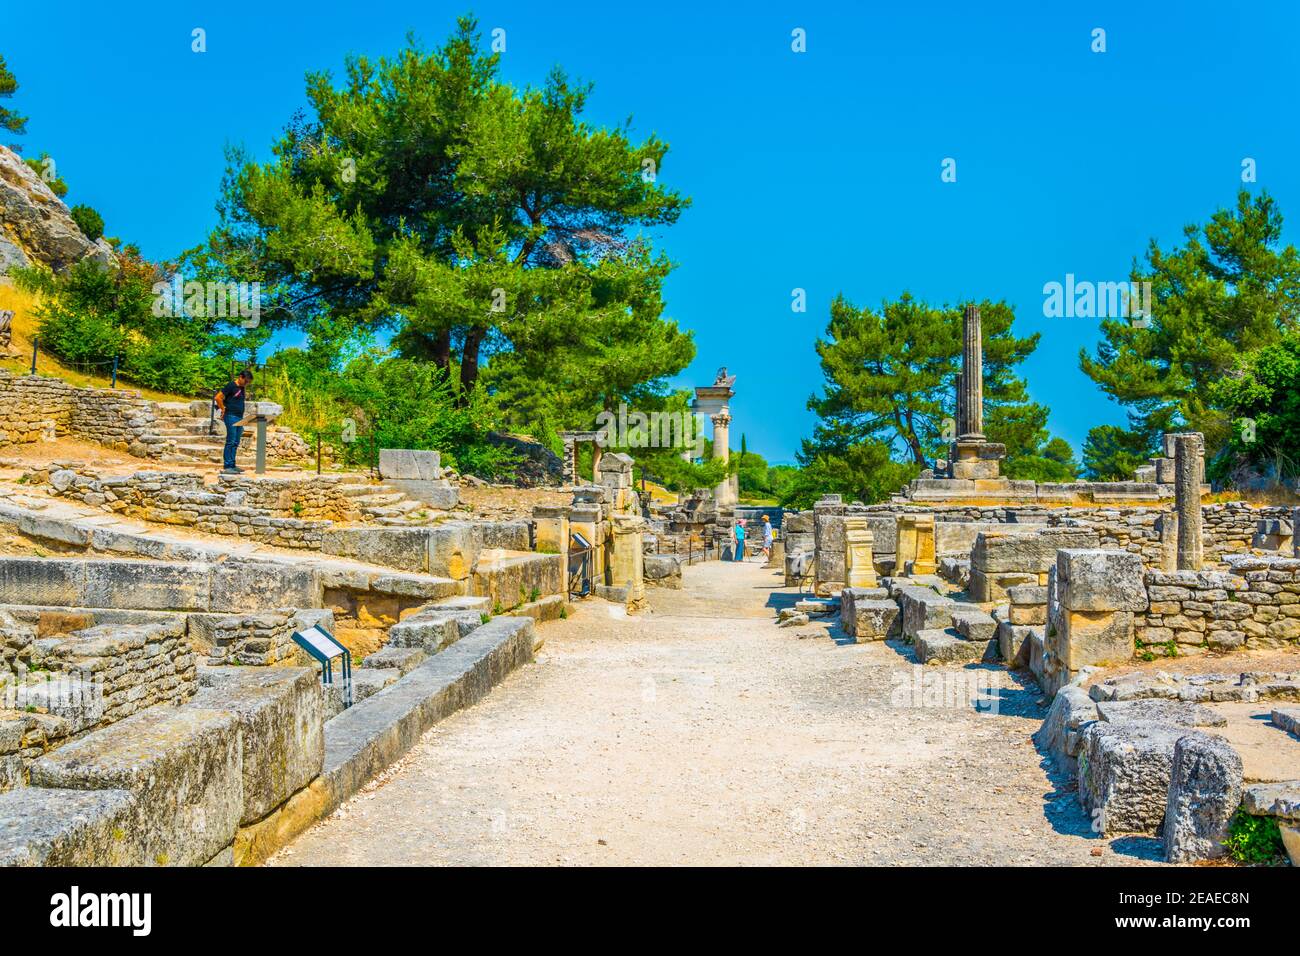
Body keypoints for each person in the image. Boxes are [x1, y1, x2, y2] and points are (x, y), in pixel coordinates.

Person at [214, 369, 253, 474]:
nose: (246, 384)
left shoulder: (242, 388)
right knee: (230, 441)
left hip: (240, 417)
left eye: (248, 382)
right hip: (231, 416)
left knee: (236, 442)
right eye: (246, 381)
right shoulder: (231, 385)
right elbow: (218, 397)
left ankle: (233, 464)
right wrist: (223, 408)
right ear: (241, 377)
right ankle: (227, 466)